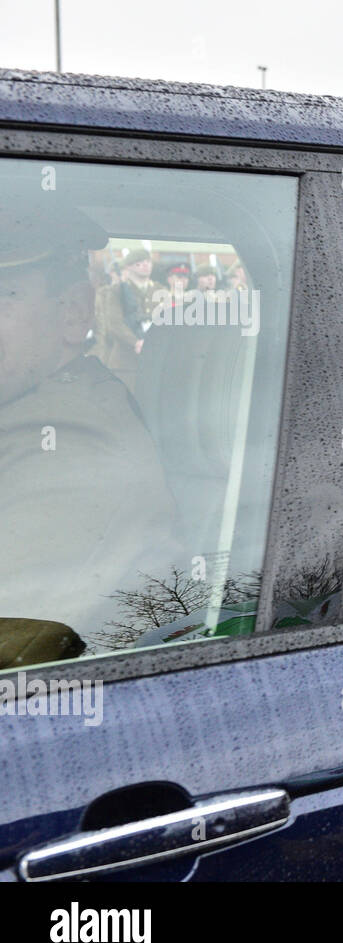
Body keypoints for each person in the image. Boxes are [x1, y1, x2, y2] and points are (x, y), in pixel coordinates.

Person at [0, 192, 182, 653]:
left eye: (7, 293)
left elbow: (13, 654)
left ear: (74, 312)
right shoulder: (26, 403)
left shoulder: (69, 449)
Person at [91, 246, 154, 390]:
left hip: (152, 361)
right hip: (125, 362)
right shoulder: (114, 292)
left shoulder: (158, 290)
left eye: (148, 262)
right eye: (139, 263)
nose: (145, 265)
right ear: (129, 268)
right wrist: (135, 342)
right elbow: (114, 324)